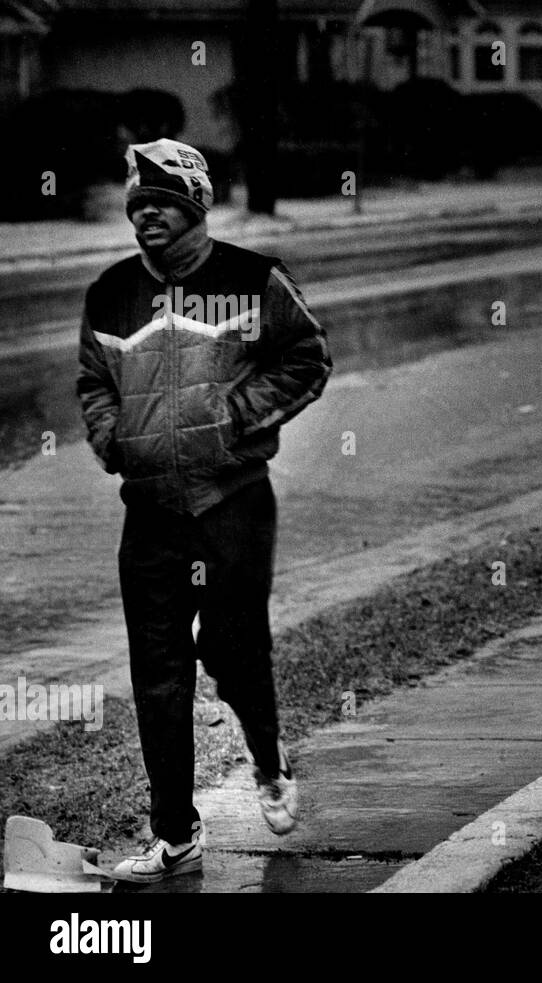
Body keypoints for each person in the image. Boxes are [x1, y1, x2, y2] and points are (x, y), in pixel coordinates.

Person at [76, 138, 332, 883]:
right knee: (157, 672)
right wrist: (110, 435)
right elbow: (94, 377)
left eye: (161, 201)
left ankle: (268, 759)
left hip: (233, 502)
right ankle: (175, 837)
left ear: (194, 204)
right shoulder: (110, 291)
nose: (146, 214)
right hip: (149, 510)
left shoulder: (253, 280)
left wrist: (234, 417)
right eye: (137, 203)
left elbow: (307, 356)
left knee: (231, 646)